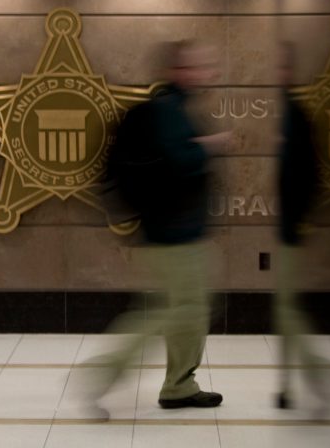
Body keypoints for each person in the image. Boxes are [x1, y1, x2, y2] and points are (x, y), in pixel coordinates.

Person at [86, 40, 231, 415]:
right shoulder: (168, 111)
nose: (207, 73)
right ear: (178, 71)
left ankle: (180, 385)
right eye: (199, 66)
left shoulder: (176, 109)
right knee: (176, 312)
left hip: (180, 230)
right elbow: (180, 161)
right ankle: (103, 374)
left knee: (190, 309)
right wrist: (210, 145)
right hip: (172, 233)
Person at [275, 42, 330, 410]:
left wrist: (295, 217)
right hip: (282, 226)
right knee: (286, 312)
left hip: (287, 228)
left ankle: (312, 376)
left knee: (287, 312)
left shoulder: (295, 115)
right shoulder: (280, 114)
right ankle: (291, 385)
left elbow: (311, 174)